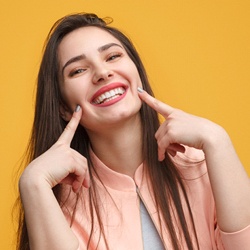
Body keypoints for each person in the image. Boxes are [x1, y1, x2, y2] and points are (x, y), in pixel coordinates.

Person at [16, 13, 250, 250]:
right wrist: (33, 183)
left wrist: (218, 140)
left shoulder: (204, 166)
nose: (102, 73)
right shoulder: (58, 204)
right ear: (63, 107)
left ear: (136, 71)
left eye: (113, 56)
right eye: (78, 70)